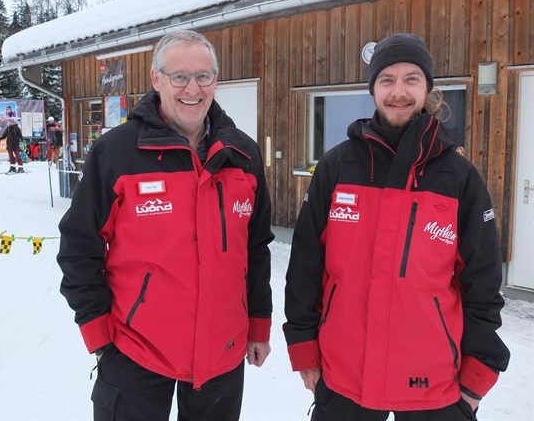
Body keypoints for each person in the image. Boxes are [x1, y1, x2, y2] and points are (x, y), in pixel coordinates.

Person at [283, 33, 510, 421]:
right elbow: (305, 265)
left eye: (411, 79)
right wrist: (304, 349)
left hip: (434, 382)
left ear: (427, 88)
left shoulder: (458, 176)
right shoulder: (338, 166)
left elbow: (483, 282)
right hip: (343, 375)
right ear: (373, 89)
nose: (398, 91)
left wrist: (476, 380)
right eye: (387, 79)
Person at [57, 30, 274, 420]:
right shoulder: (118, 152)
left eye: (203, 76)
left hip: (221, 354)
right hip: (135, 351)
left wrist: (258, 323)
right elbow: (78, 246)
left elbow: (256, 248)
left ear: (216, 82)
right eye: (180, 77)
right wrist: (99, 334)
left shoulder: (243, 154)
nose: (193, 88)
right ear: (157, 80)